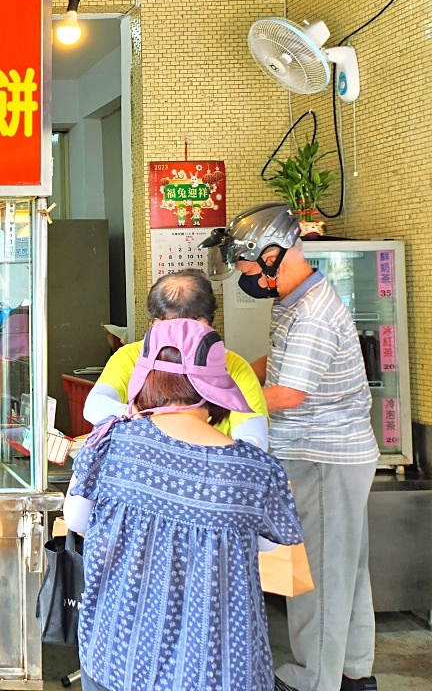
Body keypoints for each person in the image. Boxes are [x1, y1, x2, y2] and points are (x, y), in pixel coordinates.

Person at [63, 318, 303, 691]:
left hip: (119, 655)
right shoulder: (256, 468)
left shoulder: (110, 444)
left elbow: (76, 519)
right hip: (220, 665)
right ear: (217, 387)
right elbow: (269, 543)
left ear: (145, 381)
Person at [204, 203, 379, 691]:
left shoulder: (315, 314)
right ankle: (355, 672)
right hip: (330, 453)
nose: (245, 280)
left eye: (246, 268)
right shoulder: (297, 300)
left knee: (317, 575)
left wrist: (217, 406)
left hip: (322, 457)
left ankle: (310, 680)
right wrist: (226, 371)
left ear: (274, 254)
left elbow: (287, 394)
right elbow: (275, 366)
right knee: (347, 569)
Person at [84, 269, 270, 449]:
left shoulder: (234, 366)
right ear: (152, 324)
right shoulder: (130, 356)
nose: (179, 334)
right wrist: (134, 417)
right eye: (169, 324)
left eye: (189, 324)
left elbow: (253, 436)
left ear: (209, 325)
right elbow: (95, 405)